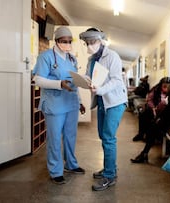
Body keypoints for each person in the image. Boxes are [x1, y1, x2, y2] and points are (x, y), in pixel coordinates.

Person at [33, 26, 86, 185]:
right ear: (56, 41)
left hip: (71, 103)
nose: (67, 44)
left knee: (71, 136)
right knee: (55, 137)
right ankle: (56, 171)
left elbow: (75, 82)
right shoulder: (46, 57)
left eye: (70, 41)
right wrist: (59, 84)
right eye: (64, 41)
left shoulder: (72, 59)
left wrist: (81, 101)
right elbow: (38, 80)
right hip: (54, 103)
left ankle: (71, 164)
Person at [79, 27, 127, 191]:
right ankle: (110, 167)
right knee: (102, 135)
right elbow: (89, 75)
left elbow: (116, 81)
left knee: (108, 137)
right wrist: (84, 79)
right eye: (87, 43)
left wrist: (99, 89)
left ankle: (110, 175)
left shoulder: (112, 56)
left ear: (100, 41)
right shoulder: (92, 59)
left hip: (114, 101)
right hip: (101, 101)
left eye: (92, 42)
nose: (90, 45)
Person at [131, 82, 170, 163]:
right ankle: (144, 153)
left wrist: (159, 119)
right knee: (154, 126)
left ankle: (144, 153)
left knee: (153, 128)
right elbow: (169, 112)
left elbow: (168, 111)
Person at [132, 77, 170, 142]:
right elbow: (149, 100)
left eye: (168, 86)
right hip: (153, 107)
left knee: (156, 118)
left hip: (163, 111)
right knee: (144, 113)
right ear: (161, 85)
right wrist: (153, 108)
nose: (166, 88)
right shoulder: (156, 90)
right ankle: (141, 134)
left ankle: (150, 136)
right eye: (164, 86)